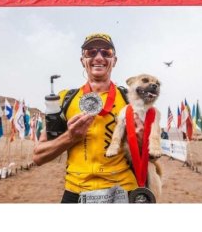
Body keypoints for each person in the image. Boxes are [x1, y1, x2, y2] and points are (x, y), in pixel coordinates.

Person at [33, 33, 140, 203]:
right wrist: (70, 137)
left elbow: (151, 154)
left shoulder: (131, 99)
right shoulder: (64, 100)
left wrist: (140, 135)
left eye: (106, 52)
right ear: (82, 60)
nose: (99, 57)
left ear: (115, 60)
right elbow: (39, 156)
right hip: (76, 190)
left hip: (124, 189)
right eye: (91, 52)